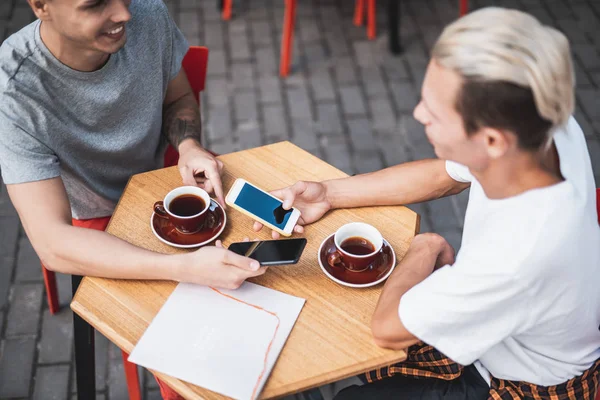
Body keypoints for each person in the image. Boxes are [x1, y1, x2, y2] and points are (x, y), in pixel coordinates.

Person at [256, 7, 600, 399]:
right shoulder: (541, 127)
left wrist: (426, 245)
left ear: (491, 140)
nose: (419, 114)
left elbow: (387, 327)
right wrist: (330, 193)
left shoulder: (514, 258)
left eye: (434, 113)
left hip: (517, 383)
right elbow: (443, 177)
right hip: (504, 334)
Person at [0, 0, 265, 398]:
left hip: (165, 178)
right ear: (41, 6)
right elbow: (53, 244)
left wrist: (190, 146)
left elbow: (178, 99)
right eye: (95, 5)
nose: (124, 14)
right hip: (95, 218)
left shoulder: (147, 14)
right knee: (196, 369)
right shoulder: (13, 89)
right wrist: (182, 268)